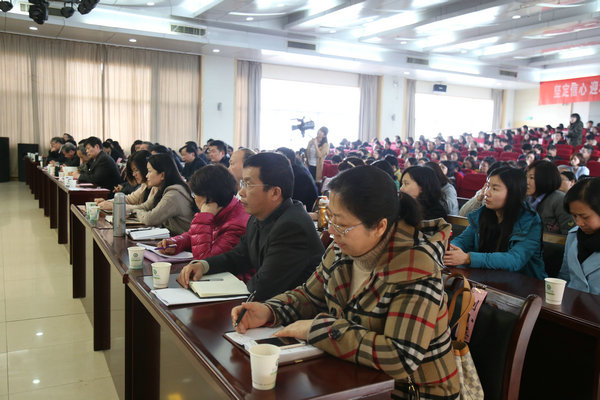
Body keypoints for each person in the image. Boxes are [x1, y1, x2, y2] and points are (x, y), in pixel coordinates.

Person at [231, 166, 460, 399]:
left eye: (340, 224)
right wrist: (270, 310)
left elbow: (400, 357)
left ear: (379, 226)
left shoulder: (416, 266)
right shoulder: (343, 247)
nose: (331, 230)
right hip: (354, 375)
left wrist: (316, 329)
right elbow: (310, 296)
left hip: (411, 391)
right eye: (330, 216)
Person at [176, 152, 325, 301]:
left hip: (291, 310)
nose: (241, 192)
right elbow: (239, 255)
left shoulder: (292, 227)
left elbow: (263, 287)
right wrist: (203, 265)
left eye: (248, 184)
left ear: (275, 193)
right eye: (242, 183)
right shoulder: (259, 216)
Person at [444, 167, 547, 280]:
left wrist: (468, 258)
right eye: (488, 186)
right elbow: (463, 240)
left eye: (494, 189)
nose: (486, 193)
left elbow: (515, 260)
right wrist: (451, 250)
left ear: (513, 193)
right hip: (487, 278)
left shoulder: (530, 221)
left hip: (525, 283)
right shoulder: (484, 213)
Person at [157, 164, 250, 271]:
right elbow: (193, 235)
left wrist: (204, 218)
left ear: (208, 198)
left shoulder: (236, 226)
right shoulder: (223, 208)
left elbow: (205, 262)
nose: (194, 198)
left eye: (194, 194)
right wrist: (175, 242)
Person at [130, 153, 195, 235]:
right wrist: (121, 208)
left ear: (162, 175)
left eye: (149, 171)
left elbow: (150, 219)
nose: (146, 176)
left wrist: (136, 212)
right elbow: (145, 206)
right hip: (175, 238)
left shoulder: (173, 194)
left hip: (186, 241)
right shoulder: (162, 189)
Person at [558, 178, 600, 294]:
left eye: (585, 217)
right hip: (571, 301)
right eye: (574, 216)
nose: (579, 223)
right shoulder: (573, 236)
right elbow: (564, 276)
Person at [526, 160, 575, 234]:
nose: (527, 182)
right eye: (526, 177)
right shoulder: (526, 199)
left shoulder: (560, 200)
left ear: (546, 179)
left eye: (531, 178)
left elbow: (569, 233)